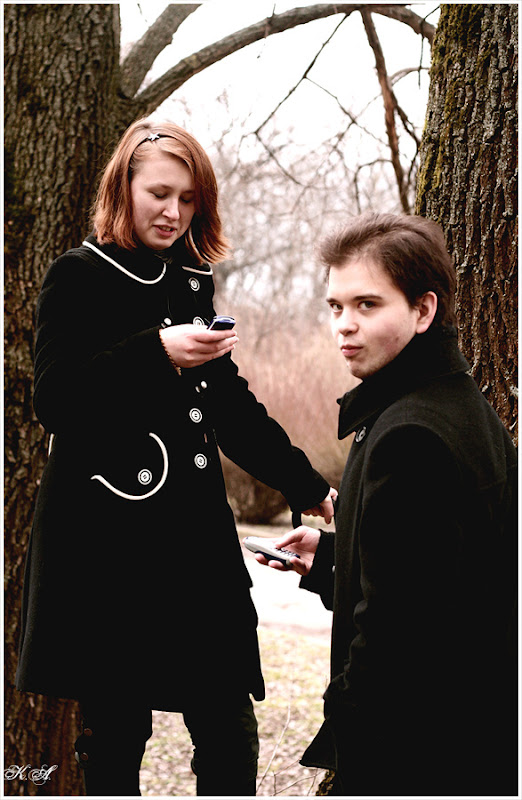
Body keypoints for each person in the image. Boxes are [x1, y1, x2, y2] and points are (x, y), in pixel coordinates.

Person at [15, 117, 335, 797]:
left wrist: (306, 484)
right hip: (109, 545)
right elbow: (56, 399)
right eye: (159, 193)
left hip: (196, 543)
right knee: (116, 736)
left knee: (228, 726)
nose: (173, 211)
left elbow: (227, 405)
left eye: (188, 199)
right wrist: (157, 352)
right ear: (123, 189)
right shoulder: (77, 276)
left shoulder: (191, 281)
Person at [254, 213, 518, 796]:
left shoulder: (411, 437)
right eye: (335, 306)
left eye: (367, 305)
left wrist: (352, 750)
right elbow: (441, 575)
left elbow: (395, 638)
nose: (344, 325)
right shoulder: (454, 403)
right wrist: (331, 558)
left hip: (420, 757)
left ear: (423, 311)